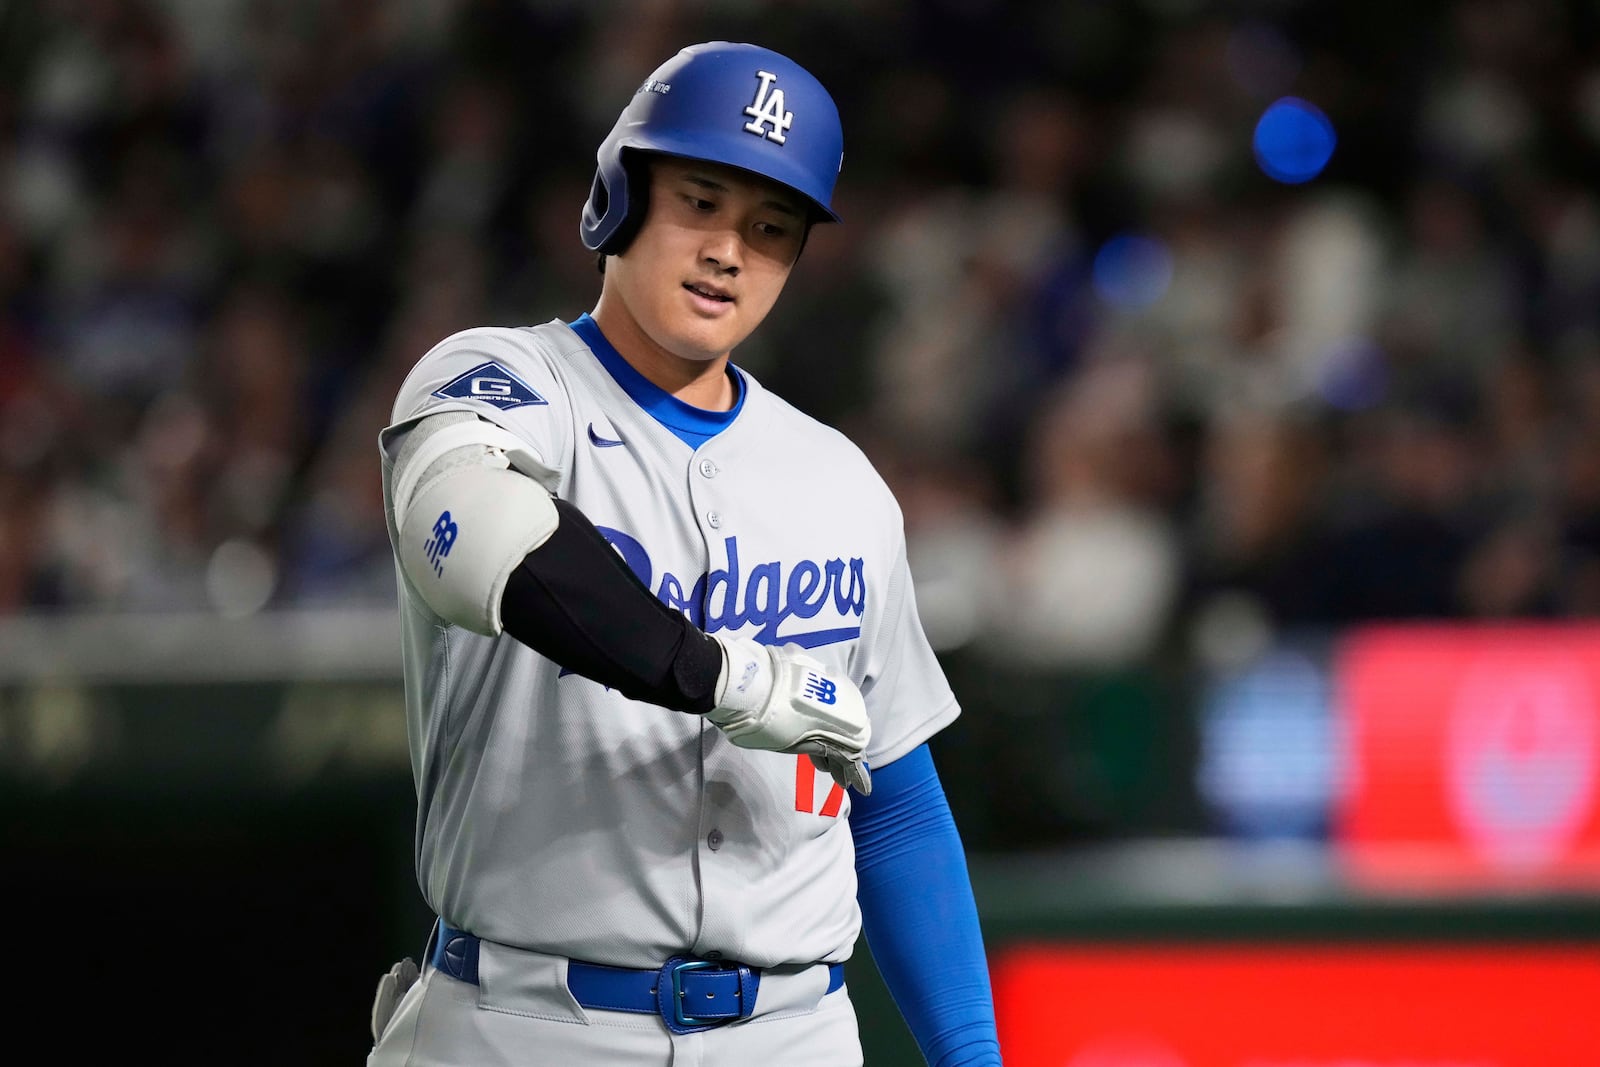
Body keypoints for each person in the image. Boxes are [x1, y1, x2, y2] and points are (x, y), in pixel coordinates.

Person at [367, 41, 1001, 1066]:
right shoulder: (503, 381)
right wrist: (724, 675)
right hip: (521, 1021)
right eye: (698, 202)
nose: (727, 251)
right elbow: (480, 537)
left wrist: (971, 1056)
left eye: (769, 228)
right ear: (620, 197)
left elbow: (897, 811)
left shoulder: (838, 478)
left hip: (792, 1029)